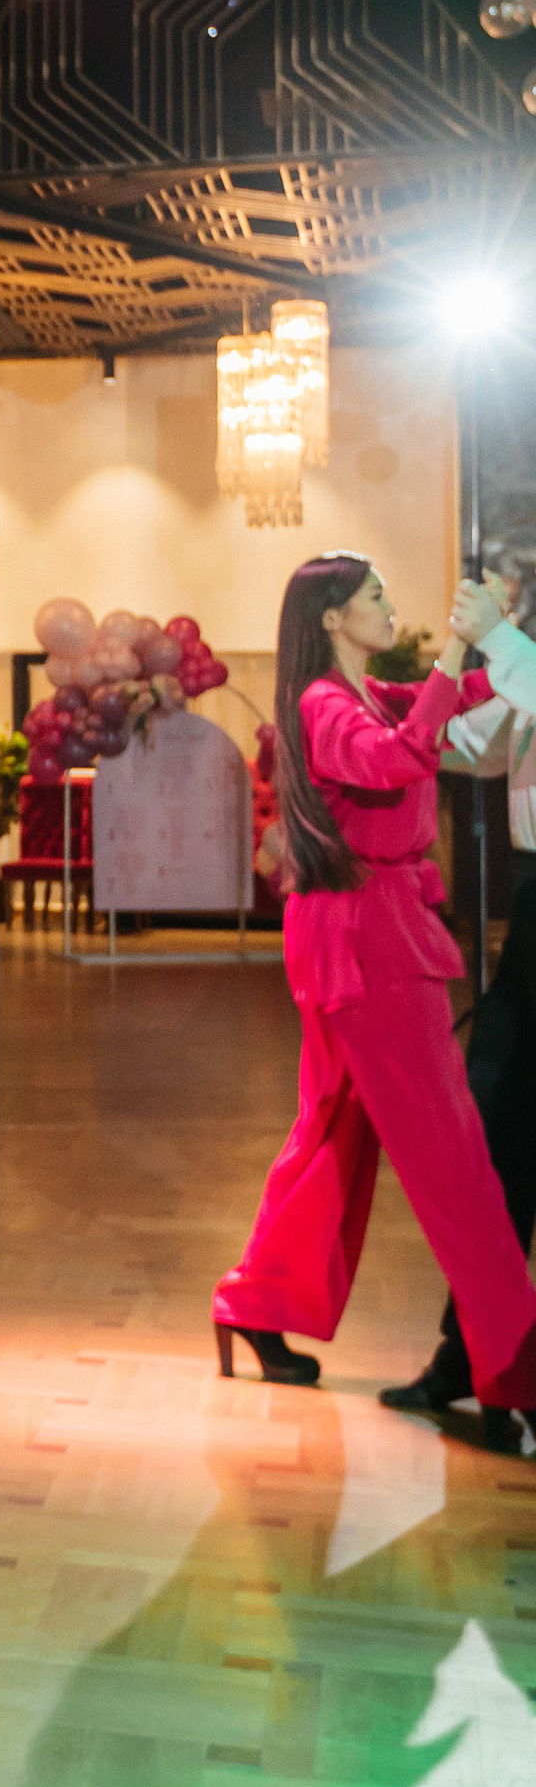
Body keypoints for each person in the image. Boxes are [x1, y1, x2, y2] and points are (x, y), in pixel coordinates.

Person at [216, 559, 536, 1419]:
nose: (392, 609)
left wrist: (494, 649)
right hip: (369, 943)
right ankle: (514, 1364)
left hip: (355, 934)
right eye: (376, 597)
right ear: (331, 618)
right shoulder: (326, 705)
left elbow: (455, 704)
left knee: (331, 1133)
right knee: (453, 1158)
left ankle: (255, 1304)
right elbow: (397, 760)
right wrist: (465, 646)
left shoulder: (364, 694)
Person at [392, 574, 536, 1442]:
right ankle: (477, 1356)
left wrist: (501, 640)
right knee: (494, 1136)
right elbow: (476, 745)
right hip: (532, 909)